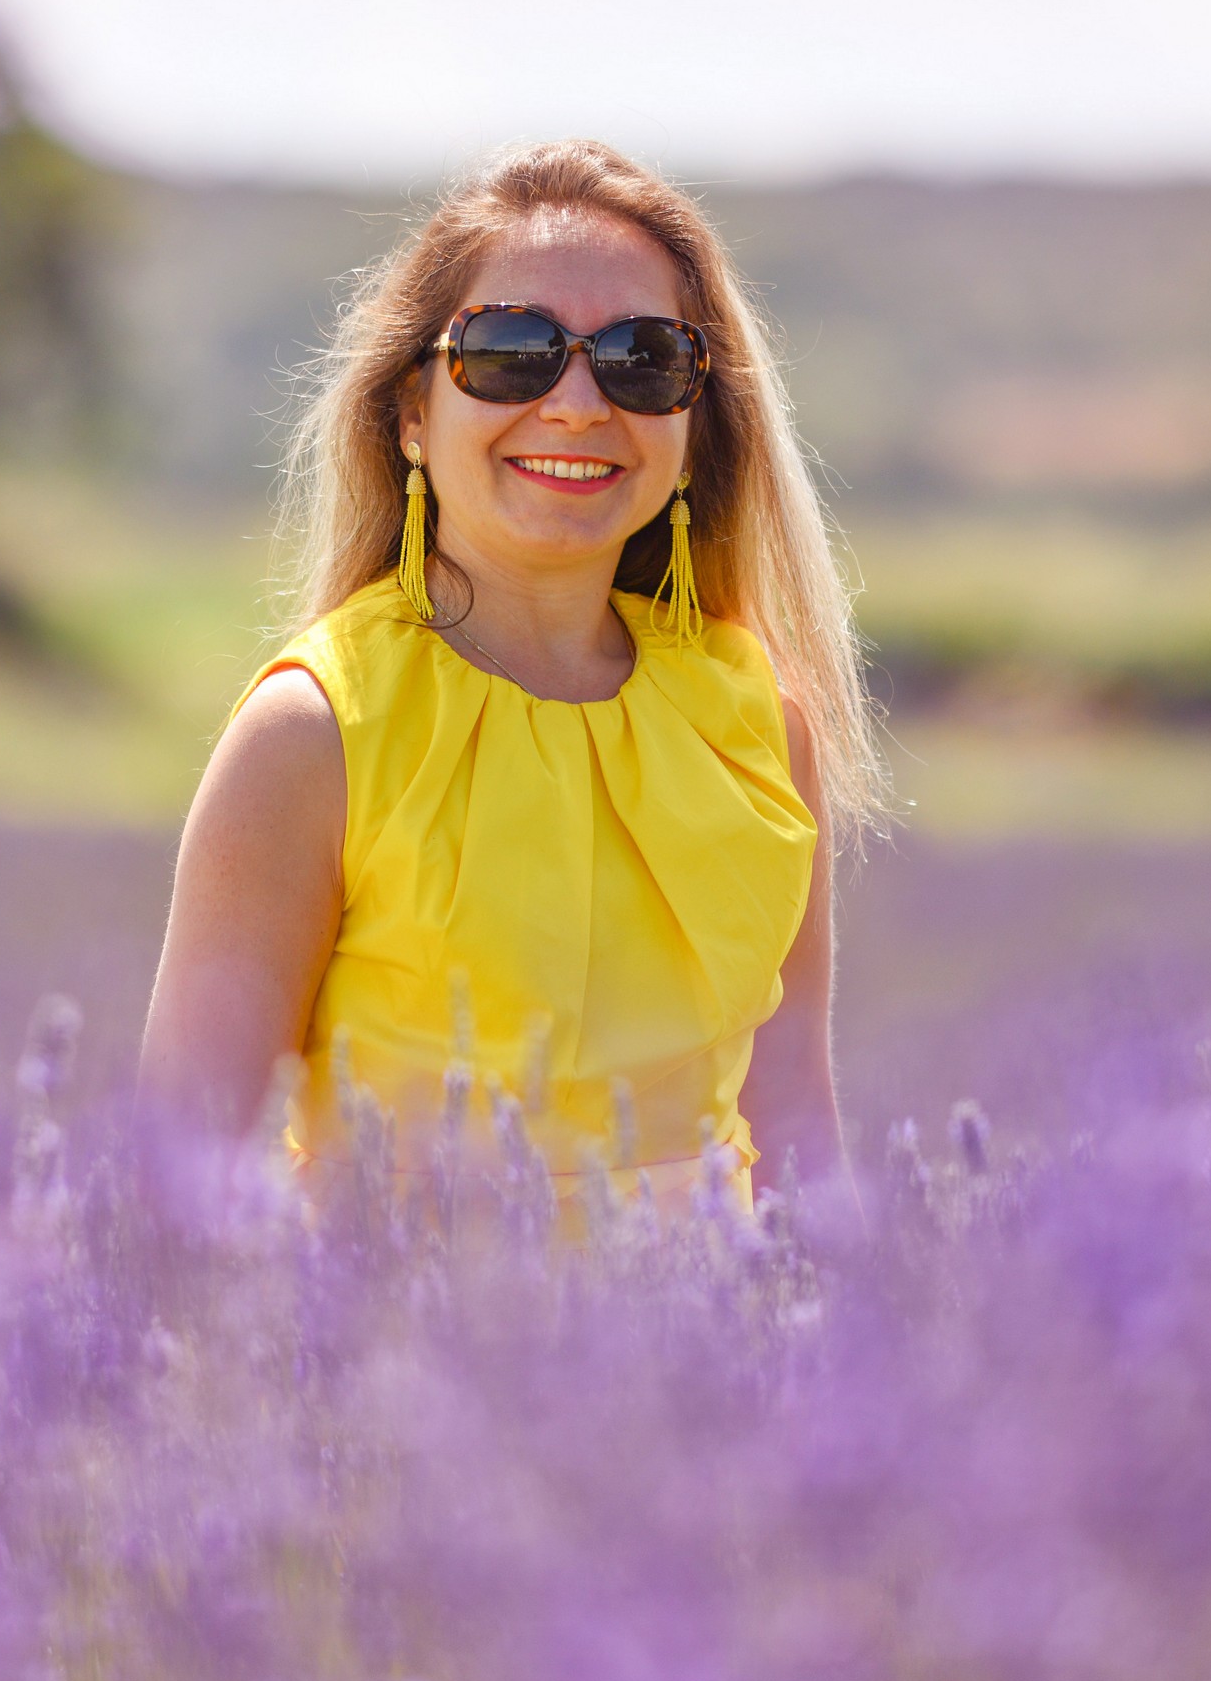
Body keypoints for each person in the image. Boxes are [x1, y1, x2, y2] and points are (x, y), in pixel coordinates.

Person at [135, 140, 881, 1233]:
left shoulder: (759, 723)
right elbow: (178, 1190)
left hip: (716, 1382)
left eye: (642, 358)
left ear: (694, 417)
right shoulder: (315, 732)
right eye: (514, 350)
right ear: (411, 414)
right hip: (398, 1382)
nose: (578, 402)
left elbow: (798, 1137)